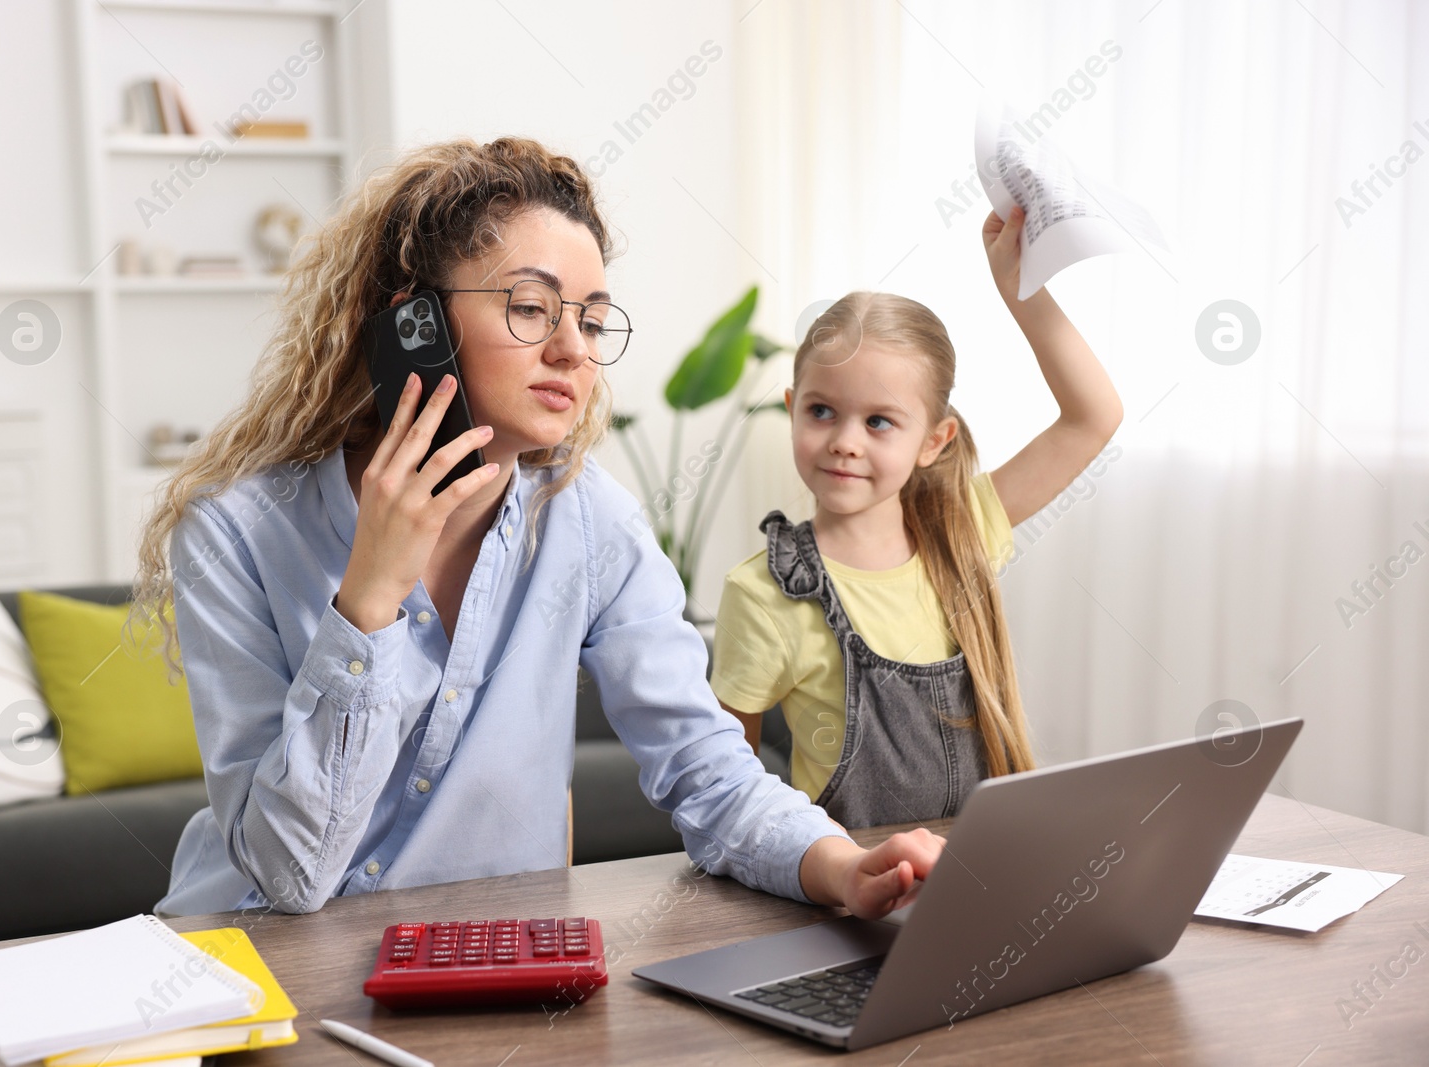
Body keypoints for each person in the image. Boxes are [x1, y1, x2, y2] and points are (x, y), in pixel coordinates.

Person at [132, 137, 943, 920]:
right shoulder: (234, 533)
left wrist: (843, 866)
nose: (572, 350)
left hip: (482, 977)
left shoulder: (590, 523)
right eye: (530, 308)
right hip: (258, 971)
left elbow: (707, 769)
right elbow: (290, 875)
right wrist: (371, 596)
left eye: (590, 322)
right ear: (416, 327)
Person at [711, 205, 1123, 829]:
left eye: (879, 421)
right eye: (822, 411)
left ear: (934, 440)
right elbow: (725, 793)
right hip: (849, 898)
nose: (846, 441)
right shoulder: (763, 594)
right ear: (792, 409)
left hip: (980, 878)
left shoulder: (964, 532)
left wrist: (1021, 292)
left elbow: (1094, 416)